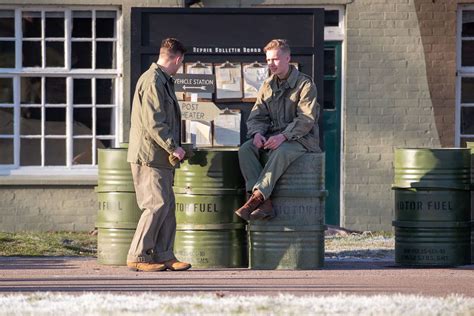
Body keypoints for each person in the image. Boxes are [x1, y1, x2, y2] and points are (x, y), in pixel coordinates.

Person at [235, 39, 321, 221]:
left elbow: (306, 119)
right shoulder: (267, 85)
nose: (271, 64)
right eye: (268, 60)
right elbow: (257, 115)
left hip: (301, 139)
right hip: (274, 136)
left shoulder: (305, 84)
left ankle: (256, 198)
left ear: (287, 58)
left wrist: (284, 136)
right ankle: (265, 204)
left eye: (275, 59)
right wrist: (257, 133)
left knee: (280, 152)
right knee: (245, 149)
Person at [126, 38, 191, 272]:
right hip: (149, 155)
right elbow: (154, 122)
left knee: (167, 205)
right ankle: (138, 255)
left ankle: (164, 255)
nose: (180, 66)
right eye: (180, 63)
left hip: (158, 155)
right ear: (177, 58)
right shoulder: (153, 81)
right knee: (155, 204)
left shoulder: (161, 80)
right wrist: (174, 146)